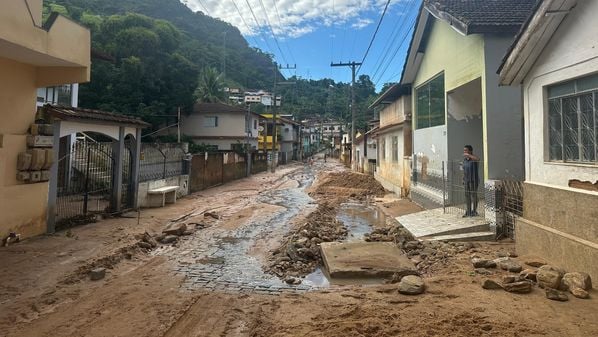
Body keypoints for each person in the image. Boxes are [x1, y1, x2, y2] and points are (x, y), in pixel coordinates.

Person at [462, 145, 480, 217]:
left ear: (470, 151)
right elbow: (463, 170)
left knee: (474, 196)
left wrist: (469, 155)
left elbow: (478, 159)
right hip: (466, 180)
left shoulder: (473, 159)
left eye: (466, 150)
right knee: (467, 196)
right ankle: (468, 211)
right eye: (464, 150)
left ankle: (474, 211)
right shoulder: (465, 160)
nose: (464, 152)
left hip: (473, 180)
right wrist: (463, 178)